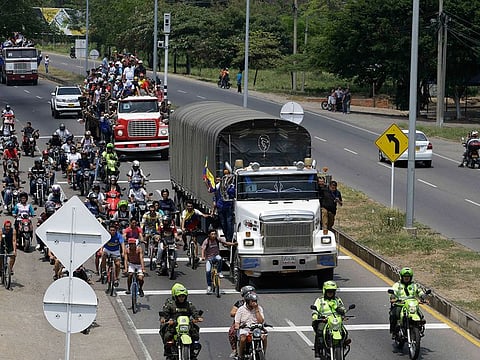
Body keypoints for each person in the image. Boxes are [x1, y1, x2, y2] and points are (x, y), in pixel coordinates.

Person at [159, 283, 203, 358]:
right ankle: (168, 351)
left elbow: (194, 312)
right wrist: (164, 319)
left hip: (187, 325)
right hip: (174, 325)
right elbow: (165, 313)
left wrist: (197, 317)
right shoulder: (171, 305)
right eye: (179, 296)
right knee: (167, 335)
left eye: (183, 296)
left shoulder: (188, 304)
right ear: (176, 297)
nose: (181, 298)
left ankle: (192, 351)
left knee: (195, 334)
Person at [389, 267, 428, 338]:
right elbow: (393, 292)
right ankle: (394, 331)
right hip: (400, 304)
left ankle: (419, 329)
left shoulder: (414, 285)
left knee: (421, 316)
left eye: (408, 277)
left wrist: (423, 297)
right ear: (402, 277)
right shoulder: (397, 285)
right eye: (405, 277)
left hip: (411, 305)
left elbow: (419, 292)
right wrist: (393, 297)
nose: (406, 278)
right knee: (394, 314)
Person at [311, 280, 347, 358]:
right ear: (325, 291)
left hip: (336, 321)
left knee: (345, 332)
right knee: (319, 331)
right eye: (329, 291)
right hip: (324, 320)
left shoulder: (337, 300)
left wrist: (338, 309)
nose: (330, 293)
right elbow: (315, 310)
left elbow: (343, 310)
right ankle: (317, 350)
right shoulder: (320, 300)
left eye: (332, 291)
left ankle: (343, 345)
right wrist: (315, 316)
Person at [201, 228, 235, 294]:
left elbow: (225, 243)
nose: (214, 235)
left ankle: (219, 272)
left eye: (215, 234)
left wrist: (233, 244)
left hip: (216, 256)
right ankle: (209, 286)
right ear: (209, 235)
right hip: (209, 258)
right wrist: (202, 257)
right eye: (212, 234)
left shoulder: (217, 239)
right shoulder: (206, 241)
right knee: (208, 271)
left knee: (220, 259)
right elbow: (203, 249)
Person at [235, 292, 266, 360]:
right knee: (243, 339)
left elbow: (261, 321)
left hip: (256, 329)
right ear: (248, 301)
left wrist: (256, 309)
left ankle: (263, 353)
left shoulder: (259, 308)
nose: (254, 303)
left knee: (264, 337)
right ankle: (240, 355)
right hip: (245, 329)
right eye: (252, 301)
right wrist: (239, 326)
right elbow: (237, 323)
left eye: (255, 301)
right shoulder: (241, 309)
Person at [228, 285, 256, 358]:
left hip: (253, 323)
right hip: (241, 323)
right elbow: (232, 313)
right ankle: (235, 350)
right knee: (232, 332)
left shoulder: (255, 303)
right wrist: (240, 313)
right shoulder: (239, 303)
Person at [181, 200, 209, 266]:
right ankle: (185, 244)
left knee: (194, 241)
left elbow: (202, 214)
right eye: (188, 206)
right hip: (187, 226)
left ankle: (195, 256)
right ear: (186, 207)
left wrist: (207, 215)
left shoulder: (195, 211)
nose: (190, 207)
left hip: (194, 227)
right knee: (183, 234)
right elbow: (183, 220)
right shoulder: (184, 212)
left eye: (191, 206)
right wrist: (182, 228)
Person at [212, 170, 235, 242]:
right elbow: (215, 194)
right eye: (225, 175)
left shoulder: (232, 185)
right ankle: (226, 236)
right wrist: (214, 206)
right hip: (220, 206)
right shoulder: (219, 185)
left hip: (228, 206)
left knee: (229, 222)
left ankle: (229, 239)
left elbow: (232, 194)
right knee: (223, 223)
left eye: (228, 175)